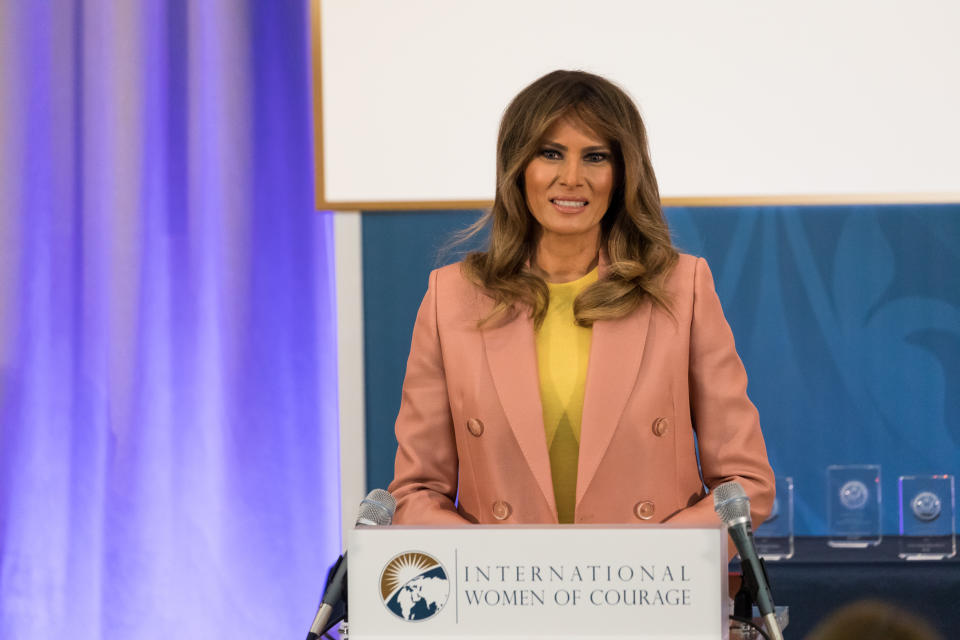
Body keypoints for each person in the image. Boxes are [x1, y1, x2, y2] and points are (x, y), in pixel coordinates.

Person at [388, 70, 775, 537]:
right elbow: (414, 493)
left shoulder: (682, 288)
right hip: (504, 598)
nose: (572, 178)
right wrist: (488, 566)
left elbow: (746, 486)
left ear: (622, 173)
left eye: (595, 157)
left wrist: (657, 565)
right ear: (518, 167)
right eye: (551, 154)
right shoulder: (450, 298)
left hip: (647, 596)